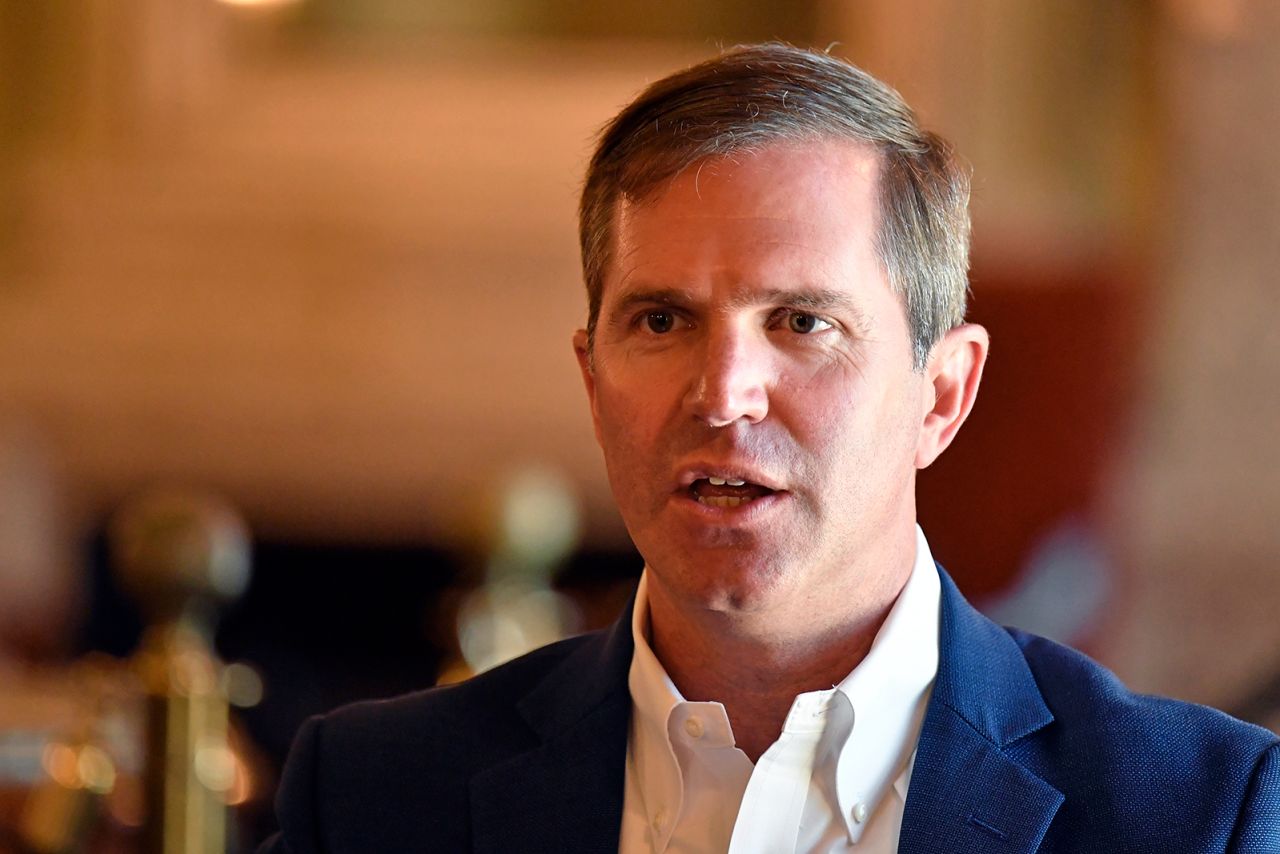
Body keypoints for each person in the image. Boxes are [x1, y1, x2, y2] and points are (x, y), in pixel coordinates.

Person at [259, 44, 1279, 853]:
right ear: (591, 379)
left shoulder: (1192, 816)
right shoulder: (372, 798)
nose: (721, 393)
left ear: (941, 393)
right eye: (660, 321)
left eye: (799, 321)